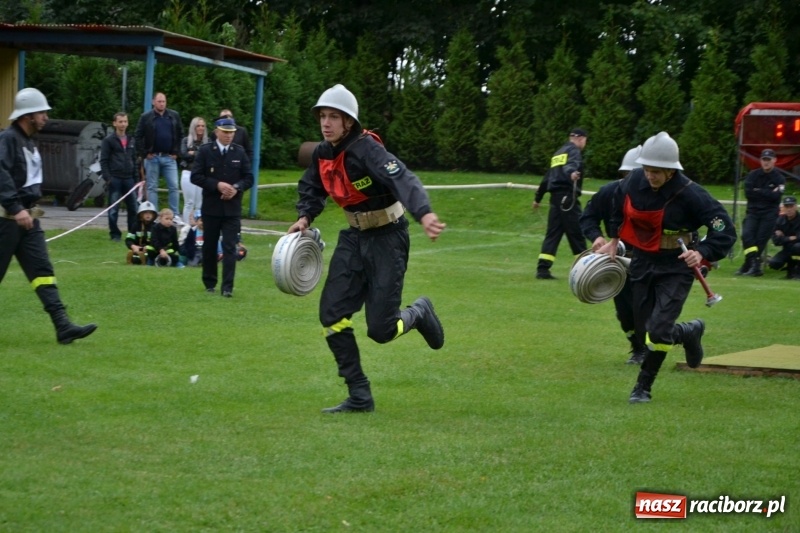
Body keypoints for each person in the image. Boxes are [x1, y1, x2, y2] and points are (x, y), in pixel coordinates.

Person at [286, 84, 446, 414]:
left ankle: (418, 313)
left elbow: (403, 179)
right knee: (332, 315)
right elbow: (312, 186)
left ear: (349, 122)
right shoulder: (322, 153)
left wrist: (424, 212)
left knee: (381, 330)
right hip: (353, 238)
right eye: (322, 116)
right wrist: (305, 216)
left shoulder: (367, 150)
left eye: (334, 117)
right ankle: (359, 394)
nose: (326, 123)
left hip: (389, 239)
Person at [596, 132, 736, 404]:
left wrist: (703, 252)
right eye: (647, 170)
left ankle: (642, 388)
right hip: (643, 261)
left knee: (658, 331)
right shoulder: (634, 180)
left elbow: (724, 229)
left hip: (676, 266)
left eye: (656, 172)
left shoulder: (692, 194)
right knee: (645, 329)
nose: (650, 176)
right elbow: (617, 203)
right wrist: (614, 239)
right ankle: (688, 332)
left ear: (671, 170)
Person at [0, 87, 97, 344]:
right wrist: (15, 208)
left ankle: (62, 326)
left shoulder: (29, 141)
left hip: (29, 220)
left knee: (42, 271)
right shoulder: (8, 139)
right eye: (41, 112)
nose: (45, 117)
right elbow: (1, 174)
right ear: (27, 115)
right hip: (7, 220)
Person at [580, 145, 648, 365]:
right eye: (628, 175)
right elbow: (588, 217)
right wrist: (597, 237)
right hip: (617, 264)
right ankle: (637, 348)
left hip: (650, 262)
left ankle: (653, 345)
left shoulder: (661, 199)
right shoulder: (608, 192)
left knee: (646, 308)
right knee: (624, 312)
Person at [190, 117, 253, 297]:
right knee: (209, 246)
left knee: (229, 247)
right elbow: (196, 176)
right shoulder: (206, 151)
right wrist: (216, 185)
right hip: (211, 207)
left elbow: (249, 177)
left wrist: (236, 187)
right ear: (217, 132)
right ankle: (209, 282)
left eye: (231, 133)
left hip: (232, 208)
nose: (228, 136)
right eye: (225, 132)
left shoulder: (239, 152)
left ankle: (227, 287)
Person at [533, 128, 589, 279]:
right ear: (581, 139)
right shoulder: (574, 151)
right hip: (567, 199)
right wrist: (571, 174)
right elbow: (571, 166)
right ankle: (585, 269)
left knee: (553, 234)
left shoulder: (558, 153)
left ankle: (542, 269)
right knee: (577, 232)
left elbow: (547, 178)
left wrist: (538, 198)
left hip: (555, 199)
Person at [134, 92, 184, 223]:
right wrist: (144, 153)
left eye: (164, 101)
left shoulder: (174, 116)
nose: (162, 104)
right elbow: (138, 136)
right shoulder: (146, 117)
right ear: (153, 102)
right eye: (159, 101)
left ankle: (174, 214)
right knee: (152, 187)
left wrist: (176, 151)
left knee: (174, 185)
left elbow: (180, 134)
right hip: (153, 157)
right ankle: (154, 214)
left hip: (169, 157)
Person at [735, 148, 785, 276]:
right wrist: (767, 193)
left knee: (760, 240)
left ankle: (751, 265)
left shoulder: (779, 178)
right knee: (747, 236)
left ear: (774, 160)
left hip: (769, 214)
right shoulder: (753, 175)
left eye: (769, 160)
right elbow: (749, 193)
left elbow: (776, 197)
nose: (766, 162)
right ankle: (752, 264)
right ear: (761, 160)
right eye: (764, 159)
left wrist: (758, 191)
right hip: (753, 212)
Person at [100, 111, 140, 242]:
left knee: (133, 208)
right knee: (113, 209)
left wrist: (136, 179)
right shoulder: (108, 140)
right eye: (120, 121)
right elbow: (104, 160)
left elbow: (134, 160)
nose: (123, 124)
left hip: (129, 178)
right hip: (115, 178)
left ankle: (131, 234)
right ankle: (115, 234)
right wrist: (108, 178)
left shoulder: (131, 139)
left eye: (125, 121)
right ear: (115, 123)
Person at [180, 117, 208, 225]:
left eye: (202, 126)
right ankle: (187, 227)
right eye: (198, 126)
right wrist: (198, 154)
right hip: (188, 173)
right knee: (189, 202)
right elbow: (184, 155)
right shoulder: (186, 140)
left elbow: (207, 157)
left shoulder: (208, 141)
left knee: (199, 203)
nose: (200, 128)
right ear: (193, 127)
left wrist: (193, 153)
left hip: (202, 174)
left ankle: (197, 227)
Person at [767, 195, 800, 279]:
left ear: (796, 207)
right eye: (786, 206)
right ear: (783, 207)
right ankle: (790, 270)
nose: (789, 209)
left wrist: (784, 237)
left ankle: (796, 272)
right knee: (774, 263)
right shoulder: (779, 220)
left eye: (791, 206)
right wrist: (790, 238)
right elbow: (776, 241)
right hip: (787, 249)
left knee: (797, 247)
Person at [125, 200, 158, 265]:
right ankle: (134, 257)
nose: (148, 215)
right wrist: (133, 246)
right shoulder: (136, 226)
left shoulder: (156, 227)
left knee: (149, 255)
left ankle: (145, 259)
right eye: (145, 212)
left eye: (150, 213)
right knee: (135, 257)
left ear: (153, 215)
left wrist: (148, 247)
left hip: (150, 250)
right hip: (138, 249)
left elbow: (158, 242)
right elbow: (128, 239)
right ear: (141, 215)